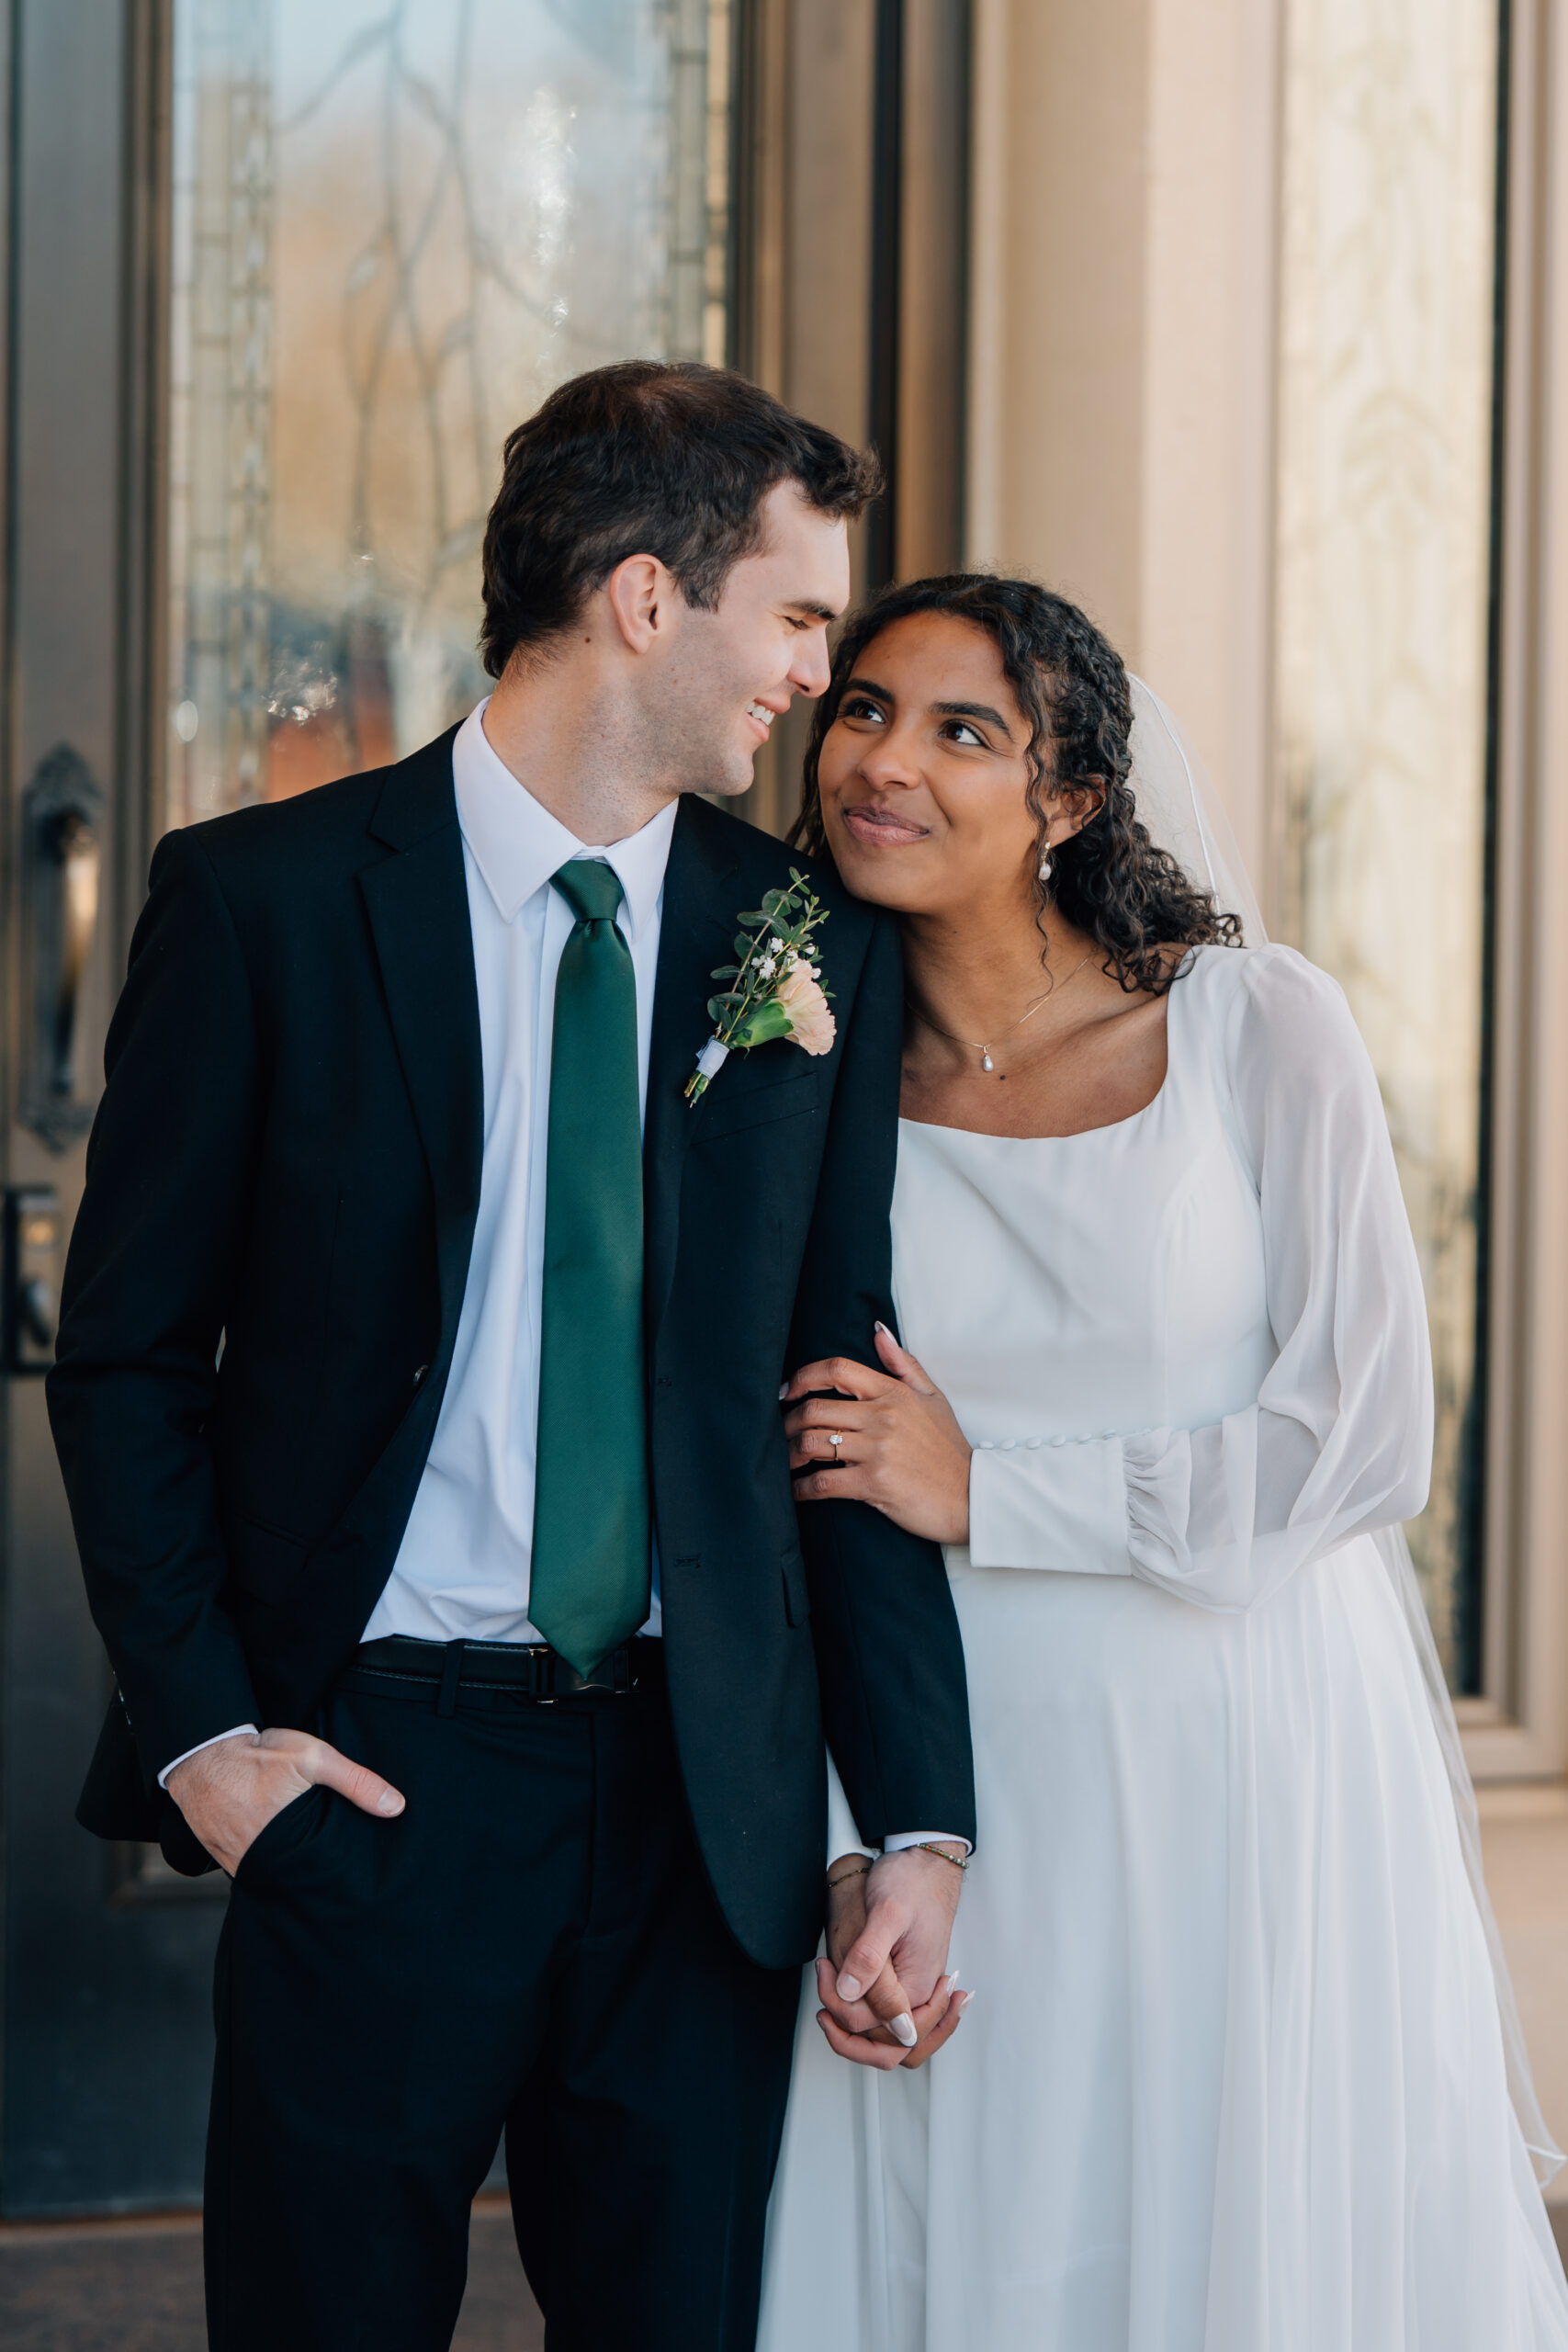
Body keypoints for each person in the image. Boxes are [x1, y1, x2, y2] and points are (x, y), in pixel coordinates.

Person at [46, 364, 976, 2352]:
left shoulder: (802, 936)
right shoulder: (268, 905)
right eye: (797, 617)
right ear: (646, 599)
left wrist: (912, 1818)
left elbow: (843, 1394)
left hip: (696, 1805)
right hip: (373, 1777)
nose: (814, 679)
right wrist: (213, 1742)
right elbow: (124, 1354)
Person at [756, 572, 1568, 2351]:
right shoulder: (799, 1079)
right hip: (960, 1766)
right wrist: (855, 1831)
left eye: (963, 729)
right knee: (978, 2223)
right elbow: (786, 1489)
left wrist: (994, 1487)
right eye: (864, 709)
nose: (882, 760)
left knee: (1225, 2230)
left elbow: (1356, 1433)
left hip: (1236, 1742)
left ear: (1068, 800)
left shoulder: (1250, 1025)